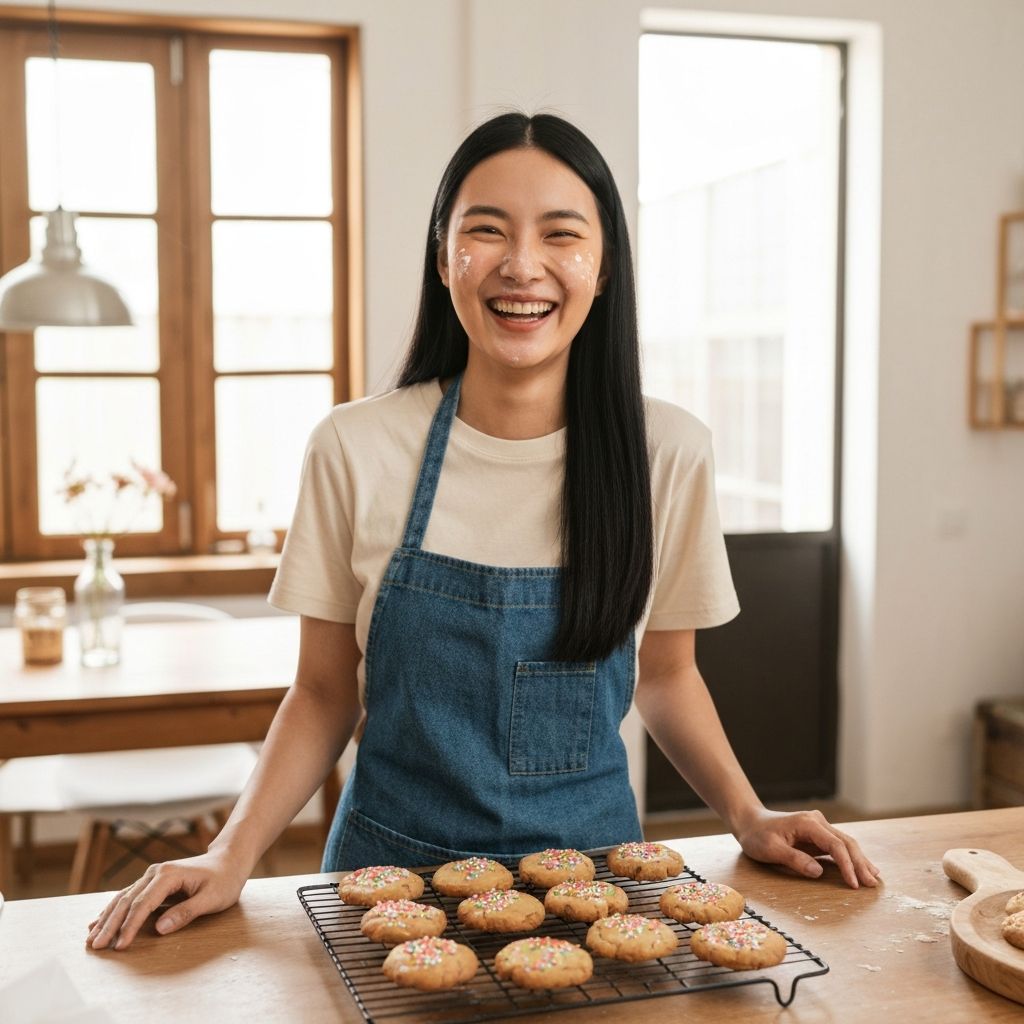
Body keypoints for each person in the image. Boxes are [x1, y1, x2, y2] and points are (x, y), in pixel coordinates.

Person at [87, 111, 879, 952]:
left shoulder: (667, 452)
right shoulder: (355, 447)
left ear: (603, 266)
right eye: (487, 231)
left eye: (561, 234)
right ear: (443, 259)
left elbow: (667, 675)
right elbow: (322, 692)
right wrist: (229, 855)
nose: (522, 264)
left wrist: (749, 815)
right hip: (385, 887)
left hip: (600, 888)